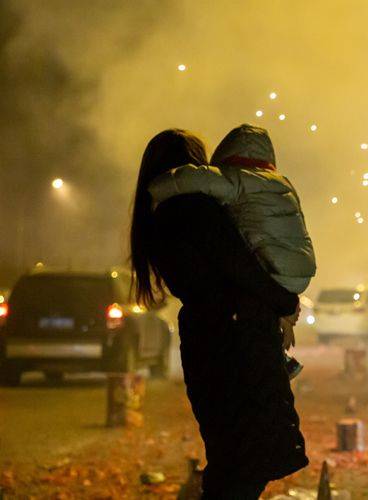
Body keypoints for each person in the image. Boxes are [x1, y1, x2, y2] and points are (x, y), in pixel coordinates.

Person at [130, 129, 308, 499]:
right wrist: (284, 301)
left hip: (211, 335)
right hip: (236, 340)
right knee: (248, 457)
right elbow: (238, 265)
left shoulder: (159, 214)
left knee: (233, 454)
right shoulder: (194, 209)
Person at [147, 124, 315, 375]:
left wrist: (158, 187)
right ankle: (278, 356)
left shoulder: (236, 180)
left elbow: (189, 179)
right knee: (267, 314)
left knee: (259, 302)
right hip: (300, 269)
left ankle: (277, 356)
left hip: (268, 266)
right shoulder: (283, 183)